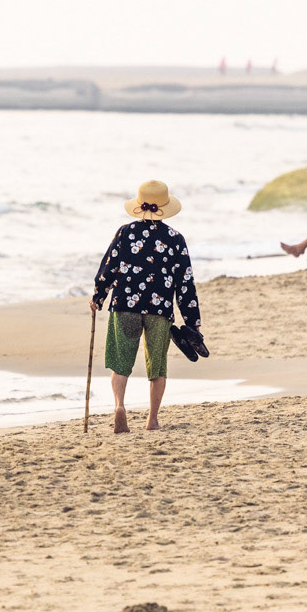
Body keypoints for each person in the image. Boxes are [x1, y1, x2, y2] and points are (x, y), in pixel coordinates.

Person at [90, 181, 198, 434]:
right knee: (157, 364)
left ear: (139, 206)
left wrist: (99, 296)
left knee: (120, 360)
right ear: (165, 206)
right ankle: (152, 420)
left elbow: (108, 267)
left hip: (125, 303)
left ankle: (119, 406)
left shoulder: (125, 232)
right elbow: (185, 282)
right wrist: (192, 320)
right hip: (159, 308)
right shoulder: (175, 238)